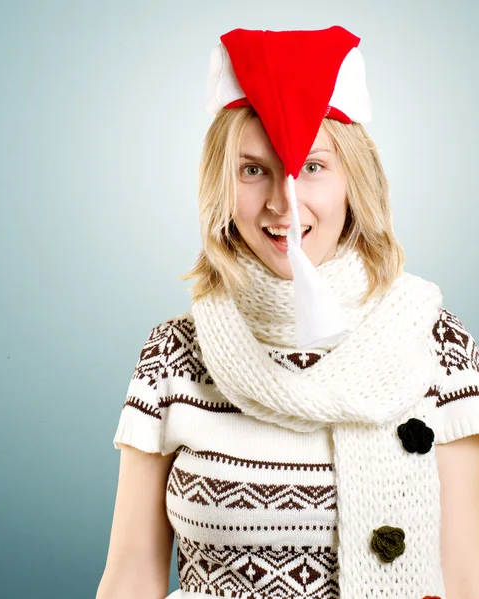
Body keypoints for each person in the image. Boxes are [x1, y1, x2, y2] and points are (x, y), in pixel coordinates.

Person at [96, 26, 479, 599]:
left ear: (356, 180)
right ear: (222, 185)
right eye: (254, 170)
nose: (282, 202)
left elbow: (466, 577)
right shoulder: (175, 353)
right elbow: (132, 576)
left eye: (313, 167)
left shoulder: (436, 346)